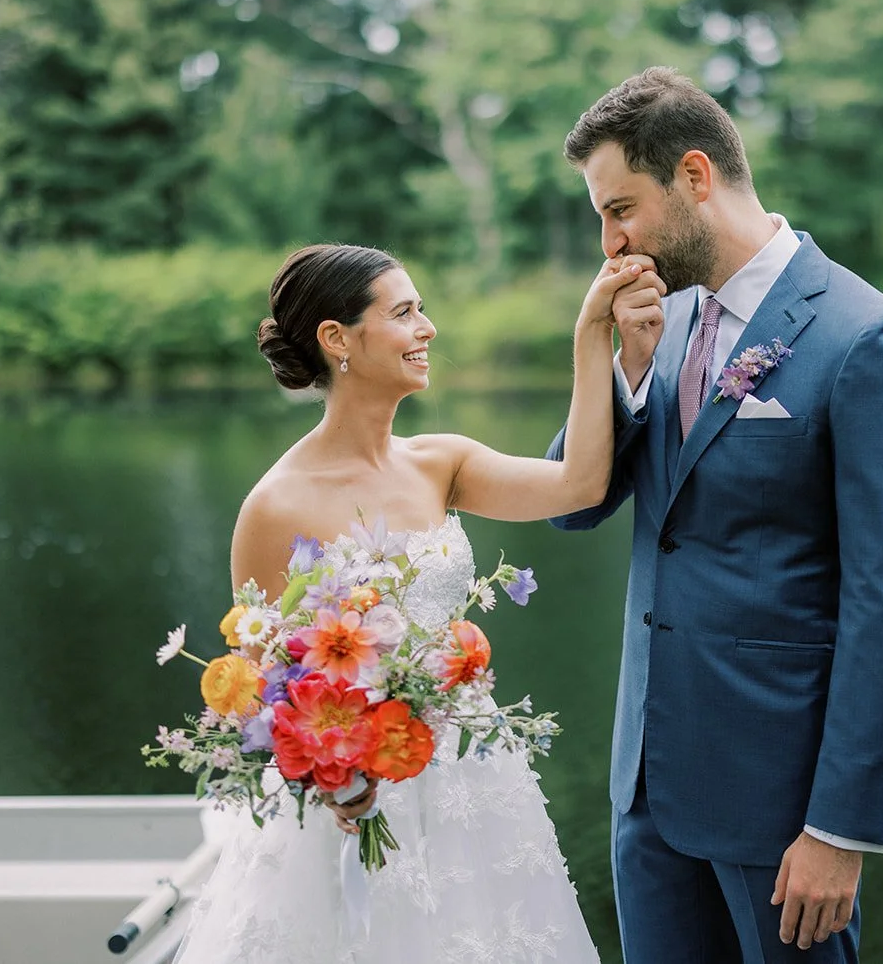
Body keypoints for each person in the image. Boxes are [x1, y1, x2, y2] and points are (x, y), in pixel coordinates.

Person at [547, 67, 883, 962]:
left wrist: (843, 826)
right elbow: (572, 508)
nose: (610, 243)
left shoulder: (866, 340)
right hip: (645, 792)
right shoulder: (664, 314)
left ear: (695, 176)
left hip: (782, 814)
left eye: (620, 209)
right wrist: (628, 367)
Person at [173, 241, 659, 964]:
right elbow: (262, 691)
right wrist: (335, 779)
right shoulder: (273, 507)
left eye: (422, 309)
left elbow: (583, 482)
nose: (427, 328)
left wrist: (593, 334)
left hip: (472, 775)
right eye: (404, 312)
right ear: (337, 339)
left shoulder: (442, 462)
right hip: (352, 799)